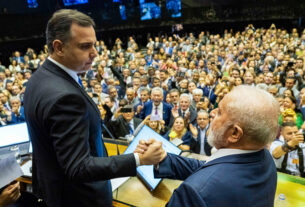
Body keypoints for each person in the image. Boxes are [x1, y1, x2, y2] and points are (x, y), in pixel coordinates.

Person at [23, 9, 164, 207]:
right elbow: (78, 167)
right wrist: (138, 159)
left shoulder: (38, 79)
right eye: (85, 46)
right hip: (81, 199)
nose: (95, 53)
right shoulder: (65, 97)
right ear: (59, 47)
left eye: (94, 45)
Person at [137, 85, 280, 207]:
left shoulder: (193, 193)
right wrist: (163, 158)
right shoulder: (264, 158)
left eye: (219, 112)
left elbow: (210, 178)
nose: (211, 113)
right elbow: (210, 168)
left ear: (235, 133)